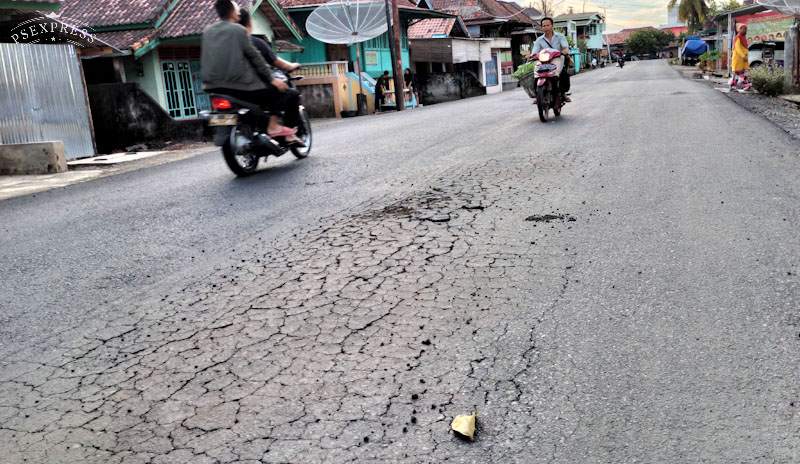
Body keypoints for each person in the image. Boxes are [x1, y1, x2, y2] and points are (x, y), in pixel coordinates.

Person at [201, 0, 294, 139]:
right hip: (239, 86)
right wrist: (272, 79)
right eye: (237, 9)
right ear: (232, 12)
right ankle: (273, 126)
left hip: (213, 86)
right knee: (283, 92)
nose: (239, 11)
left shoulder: (208, 31)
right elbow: (255, 57)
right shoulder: (239, 30)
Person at [237, 9, 303, 144]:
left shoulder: (227, 45)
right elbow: (279, 63)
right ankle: (288, 133)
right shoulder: (255, 42)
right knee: (291, 94)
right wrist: (292, 65)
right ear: (249, 23)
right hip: (256, 90)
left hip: (234, 90)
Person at [531, 17, 571, 102]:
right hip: (543, 61)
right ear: (541, 27)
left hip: (557, 58)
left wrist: (563, 52)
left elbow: (565, 48)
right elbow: (534, 52)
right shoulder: (539, 40)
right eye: (543, 26)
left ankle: (562, 93)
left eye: (548, 25)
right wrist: (531, 56)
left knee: (559, 74)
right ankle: (538, 94)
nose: (546, 27)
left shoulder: (560, 36)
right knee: (536, 73)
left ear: (552, 26)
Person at [731, 23, 751, 90]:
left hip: (743, 59)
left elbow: (745, 48)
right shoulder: (738, 37)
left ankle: (741, 85)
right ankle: (735, 85)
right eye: (743, 29)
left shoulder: (744, 38)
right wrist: (743, 56)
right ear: (739, 30)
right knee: (737, 72)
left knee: (742, 72)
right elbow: (737, 48)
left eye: (746, 29)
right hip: (738, 58)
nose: (745, 30)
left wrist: (745, 56)